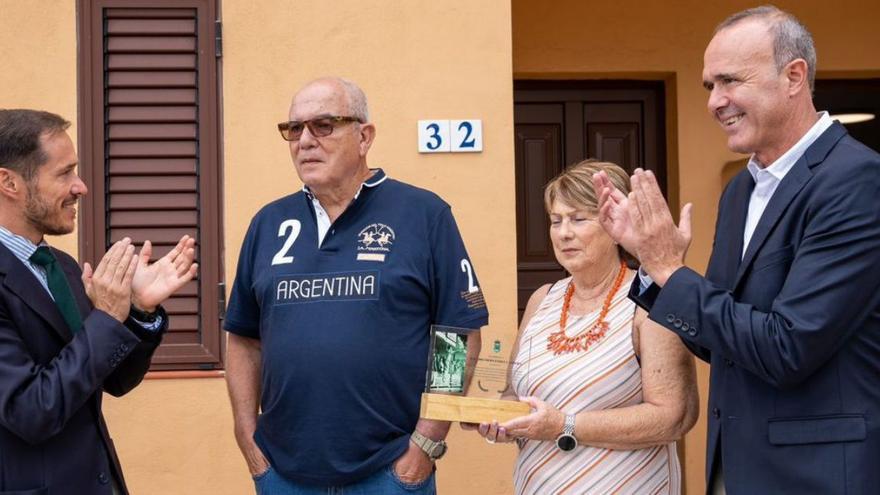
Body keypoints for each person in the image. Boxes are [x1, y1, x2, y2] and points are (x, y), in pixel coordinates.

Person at [594, 6, 880, 494]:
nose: (714, 102)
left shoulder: (855, 180)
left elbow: (787, 348)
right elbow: (721, 341)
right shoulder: (741, 191)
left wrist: (672, 270)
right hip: (736, 470)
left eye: (729, 81)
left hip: (817, 477)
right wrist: (654, 268)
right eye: (710, 86)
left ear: (794, 76)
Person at [224, 77, 488, 494]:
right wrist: (246, 435)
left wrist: (426, 442)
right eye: (294, 129)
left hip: (390, 472)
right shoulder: (268, 224)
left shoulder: (423, 214)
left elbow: (456, 334)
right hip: (283, 473)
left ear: (364, 136)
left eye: (323, 125)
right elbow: (243, 337)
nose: (305, 141)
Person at [469, 160, 698, 494]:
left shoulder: (651, 301)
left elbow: (672, 418)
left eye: (578, 219)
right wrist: (501, 419)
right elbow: (515, 394)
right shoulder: (541, 300)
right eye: (556, 220)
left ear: (615, 224)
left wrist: (564, 425)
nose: (564, 233)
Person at [0, 109, 198, 494]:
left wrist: (137, 311)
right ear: (8, 182)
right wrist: (106, 316)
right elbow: (31, 411)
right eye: (64, 173)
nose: (81, 187)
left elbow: (115, 380)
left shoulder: (63, 268)